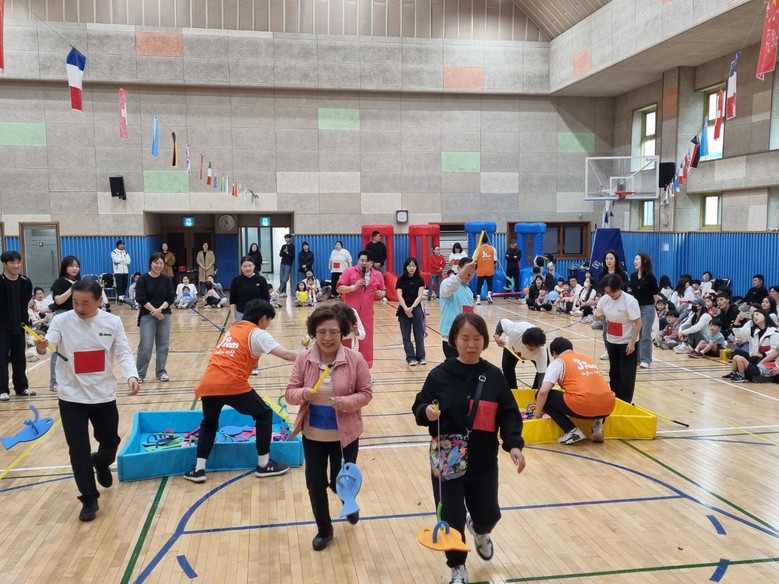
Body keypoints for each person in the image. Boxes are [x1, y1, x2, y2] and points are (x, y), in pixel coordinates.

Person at [412, 313, 526, 584]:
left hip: (483, 459)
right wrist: (426, 412)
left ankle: (480, 529)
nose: (471, 344)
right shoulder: (439, 375)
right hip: (447, 459)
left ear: (485, 341)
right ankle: (457, 567)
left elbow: (509, 414)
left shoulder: (494, 376)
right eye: (465, 338)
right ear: (454, 340)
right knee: (451, 516)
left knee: (488, 514)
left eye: (477, 338)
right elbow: (419, 406)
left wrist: (513, 444)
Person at [35, 278, 140, 521]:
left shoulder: (112, 322)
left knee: (110, 441)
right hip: (71, 397)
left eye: (85, 303)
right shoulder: (61, 320)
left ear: (99, 301)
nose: (79, 308)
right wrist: (41, 347)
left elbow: (123, 352)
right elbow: (48, 345)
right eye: (75, 302)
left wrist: (131, 375)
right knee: (78, 449)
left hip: (103, 395)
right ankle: (89, 497)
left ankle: (101, 462)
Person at [285, 305, 373, 551]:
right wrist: (303, 393)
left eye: (333, 332)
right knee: (315, 484)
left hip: (345, 436)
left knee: (339, 482)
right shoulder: (304, 359)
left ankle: (348, 501)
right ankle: (324, 529)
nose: (327, 337)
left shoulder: (355, 359)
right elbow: (290, 393)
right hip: (313, 435)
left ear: (342, 332)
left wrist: (346, 403)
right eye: (321, 331)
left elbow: (366, 393)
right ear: (313, 332)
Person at [184, 299, 298, 483]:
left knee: (209, 424)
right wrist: (312, 357)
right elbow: (285, 354)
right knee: (264, 414)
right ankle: (264, 464)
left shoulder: (231, 330)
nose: (268, 325)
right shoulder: (258, 333)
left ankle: (198, 470)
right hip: (232, 384)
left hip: (208, 384)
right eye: (269, 321)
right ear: (263, 318)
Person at [533, 336, 616, 445]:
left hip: (583, 406)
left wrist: (537, 414)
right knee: (596, 393)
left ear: (554, 353)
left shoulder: (558, 362)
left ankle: (571, 431)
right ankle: (597, 426)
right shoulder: (588, 359)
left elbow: (543, 392)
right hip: (608, 406)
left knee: (542, 395)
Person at [337, 250, 387, 367]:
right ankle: (343, 365)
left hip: (367, 314)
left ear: (372, 263)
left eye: (367, 261)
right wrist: (353, 287)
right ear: (358, 260)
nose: (363, 263)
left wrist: (381, 293)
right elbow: (339, 288)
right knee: (345, 339)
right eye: (361, 260)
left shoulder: (378, 275)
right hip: (349, 313)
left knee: (366, 341)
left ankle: (365, 367)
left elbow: (383, 290)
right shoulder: (349, 271)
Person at [596, 273, 641, 404]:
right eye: (607, 292)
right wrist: (597, 315)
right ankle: (614, 399)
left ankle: (625, 402)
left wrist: (632, 343)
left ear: (619, 288)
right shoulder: (604, 300)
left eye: (613, 292)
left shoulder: (630, 301)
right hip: (611, 341)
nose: (611, 295)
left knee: (626, 375)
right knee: (614, 372)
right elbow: (598, 313)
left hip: (627, 342)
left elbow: (638, 323)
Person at [135, 252, 176, 383]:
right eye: (156, 263)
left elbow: (170, 297)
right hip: (147, 316)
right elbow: (140, 298)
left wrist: (160, 310)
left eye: (161, 263)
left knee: (163, 346)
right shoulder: (143, 279)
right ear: (150, 263)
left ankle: (161, 372)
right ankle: (139, 374)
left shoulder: (167, 280)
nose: (158, 266)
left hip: (164, 315)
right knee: (146, 346)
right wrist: (154, 311)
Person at [0, 250, 35, 401]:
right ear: (5, 264)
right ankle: (2, 389)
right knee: (2, 358)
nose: (16, 266)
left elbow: (26, 300)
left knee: (20, 357)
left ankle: (21, 387)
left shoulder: (25, 282)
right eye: (12, 262)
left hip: (20, 325)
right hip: (2, 327)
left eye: (18, 262)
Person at [229, 256, 271, 375]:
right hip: (240, 314)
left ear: (254, 266)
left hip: (257, 315)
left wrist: (264, 317)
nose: (247, 268)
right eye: (245, 266)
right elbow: (232, 300)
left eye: (249, 266)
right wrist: (233, 316)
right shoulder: (236, 281)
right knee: (241, 341)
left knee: (255, 342)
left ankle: (254, 366)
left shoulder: (261, 280)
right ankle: (240, 365)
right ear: (241, 267)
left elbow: (266, 300)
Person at [49, 255, 82, 391]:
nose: (75, 268)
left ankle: (76, 378)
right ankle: (54, 382)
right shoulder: (59, 282)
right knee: (57, 351)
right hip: (62, 316)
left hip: (78, 317)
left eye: (77, 266)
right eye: (71, 266)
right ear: (65, 267)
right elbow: (58, 300)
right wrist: (72, 289)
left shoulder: (80, 282)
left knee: (77, 349)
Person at [439, 258, 477, 359]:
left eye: (472, 272)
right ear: (458, 268)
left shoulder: (469, 291)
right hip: (451, 337)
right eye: (466, 270)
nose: (468, 274)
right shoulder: (447, 282)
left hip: (466, 337)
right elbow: (452, 285)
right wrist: (461, 274)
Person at [493, 320, 548, 389]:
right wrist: (496, 336)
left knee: (546, 370)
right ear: (524, 342)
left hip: (536, 356)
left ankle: (535, 391)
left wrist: (541, 391)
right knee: (507, 366)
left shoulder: (541, 350)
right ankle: (512, 389)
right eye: (530, 348)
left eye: (535, 348)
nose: (532, 350)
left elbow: (542, 374)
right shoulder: (515, 331)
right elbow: (502, 322)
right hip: (512, 348)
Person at [629, 252, 660, 369]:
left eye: (637, 259)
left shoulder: (650, 277)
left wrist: (651, 307)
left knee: (645, 334)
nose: (635, 261)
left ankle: (645, 359)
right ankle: (636, 357)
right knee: (636, 333)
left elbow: (655, 295)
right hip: (635, 308)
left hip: (647, 307)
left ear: (644, 261)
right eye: (634, 259)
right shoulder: (633, 276)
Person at [396, 257, 426, 366]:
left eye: (414, 266)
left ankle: (421, 357)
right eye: (409, 266)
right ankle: (410, 357)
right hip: (404, 309)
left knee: (419, 334)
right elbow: (399, 295)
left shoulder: (420, 280)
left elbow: (419, 296)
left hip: (416, 309)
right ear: (406, 267)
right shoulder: (400, 280)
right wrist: (406, 308)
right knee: (406, 335)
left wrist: (412, 308)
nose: (411, 268)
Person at [473, 234, 496, 305]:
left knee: (479, 285)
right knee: (490, 284)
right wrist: (493, 267)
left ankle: (478, 298)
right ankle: (489, 295)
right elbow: (495, 260)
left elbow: (474, 260)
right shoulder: (492, 249)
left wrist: (475, 268)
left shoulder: (478, 249)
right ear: (487, 240)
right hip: (490, 270)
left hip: (481, 270)